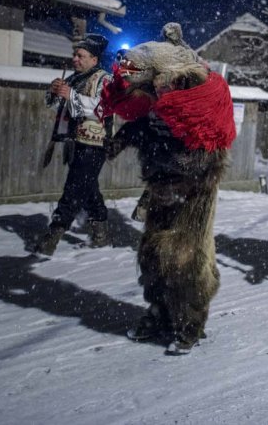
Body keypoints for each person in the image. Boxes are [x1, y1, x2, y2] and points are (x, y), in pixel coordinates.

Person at [101, 23, 236, 355]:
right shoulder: (158, 108)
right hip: (161, 193)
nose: (160, 93)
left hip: (191, 200)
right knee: (152, 258)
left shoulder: (199, 114)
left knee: (187, 262)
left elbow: (202, 161)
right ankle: (158, 314)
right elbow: (145, 129)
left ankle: (190, 324)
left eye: (166, 87)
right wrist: (121, 140)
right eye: (157, 88)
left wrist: (176, 181)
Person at [35, 33, 112, 255]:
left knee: (74, 187)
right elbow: (55, 107)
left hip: (94, 143)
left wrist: (71, 96)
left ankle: (54, 234)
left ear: (94, 59)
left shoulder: (104, 80)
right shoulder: (72, 79)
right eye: (74, 55)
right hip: (74, 142)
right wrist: (54, 92)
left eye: (81, 55)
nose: (75, 59)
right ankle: (101, 228)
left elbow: (101, 108)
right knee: (87, 187)